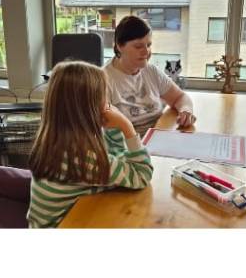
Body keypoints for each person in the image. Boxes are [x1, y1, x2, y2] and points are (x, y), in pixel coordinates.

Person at [27, 61, 154, 228]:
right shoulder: (82, 157)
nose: (108, 102)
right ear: (89, 107)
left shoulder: (56, 140)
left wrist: (113, 128)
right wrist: (127, 126)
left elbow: (116, 156)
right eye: (104, 96)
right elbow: (142, 175)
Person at [104, 16, 197, 133]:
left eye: (148, 45)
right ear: (119, 46)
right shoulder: (103, 79)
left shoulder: (151, 71)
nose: (146, 51)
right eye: (138, 46)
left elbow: (180, 97)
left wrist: (186, 110)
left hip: (158, 134)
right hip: (129, 141)